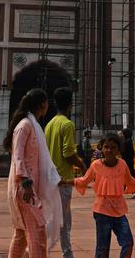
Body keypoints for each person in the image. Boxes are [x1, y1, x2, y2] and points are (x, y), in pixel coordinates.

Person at [6, 88, 62, 258]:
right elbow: (18, 157)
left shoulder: (32, 125)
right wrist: (26, 184)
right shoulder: (25, 126)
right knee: (37, 234)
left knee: (21, 235)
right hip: (25, 189)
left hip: (29, 187)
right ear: (43, 104)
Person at [75, 132, 135, 258]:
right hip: (101, 212)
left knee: (128, 242)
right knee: (102, 248)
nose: (109, 150)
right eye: (106, 147)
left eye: (113, 147)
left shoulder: (122, 164)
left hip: (119, 211)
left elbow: (130, 181)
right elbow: (84, 180)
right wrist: (66, 181)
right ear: (101, 148)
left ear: (119, 149)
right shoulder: (96, 165)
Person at [46, 87, 87, 258]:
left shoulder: (49, 124)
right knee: (63, 220)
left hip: (50, 178)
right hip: (63, 180)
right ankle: (66, 253)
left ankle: (36, 248)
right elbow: (68, 153)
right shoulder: (67, 124)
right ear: (70, 104)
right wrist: (82, 165)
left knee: (54, 218)